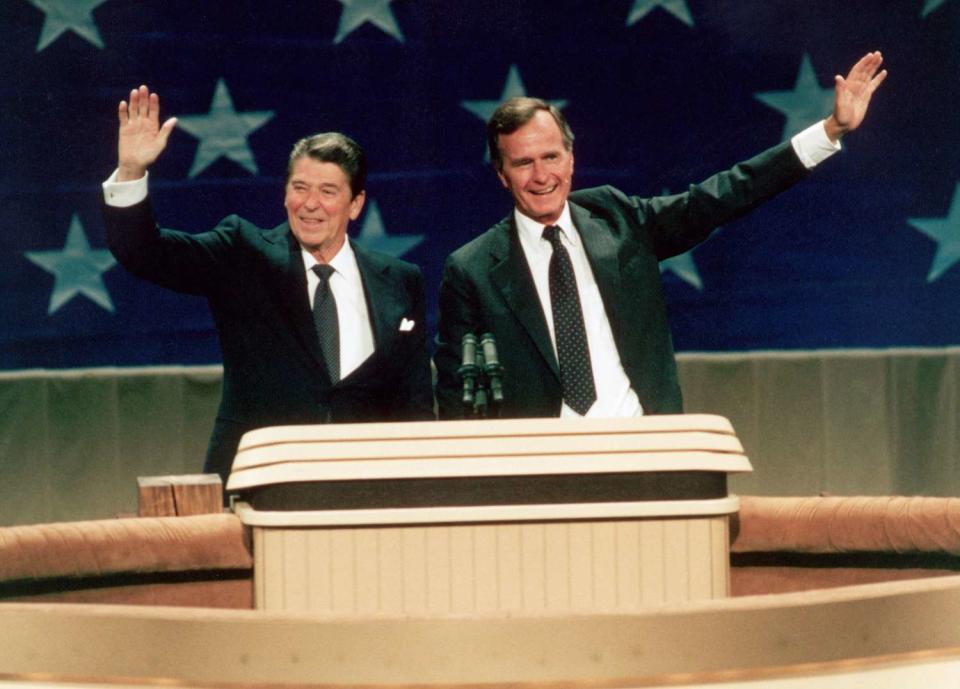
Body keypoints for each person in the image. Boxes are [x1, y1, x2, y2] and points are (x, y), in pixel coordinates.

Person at [435, 52, 887, 420]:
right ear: (501, 174)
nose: (541, 176)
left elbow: (722, 196)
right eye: (523, 163)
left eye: (551, 157)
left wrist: (829, 131)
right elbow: (456, 396)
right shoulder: (473, 269)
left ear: (571, 159)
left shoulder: (615, 218)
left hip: (644, 450)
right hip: (540, 470)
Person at [102, 86, 434, 483]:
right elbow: (144, 252)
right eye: (299, 188)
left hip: (364, 489)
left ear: (356, 204)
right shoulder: (244, 252)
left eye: (328, 192)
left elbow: (415, 404)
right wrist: (132, 172)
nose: (310, 204)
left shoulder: (399, 280)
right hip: (261, 482)